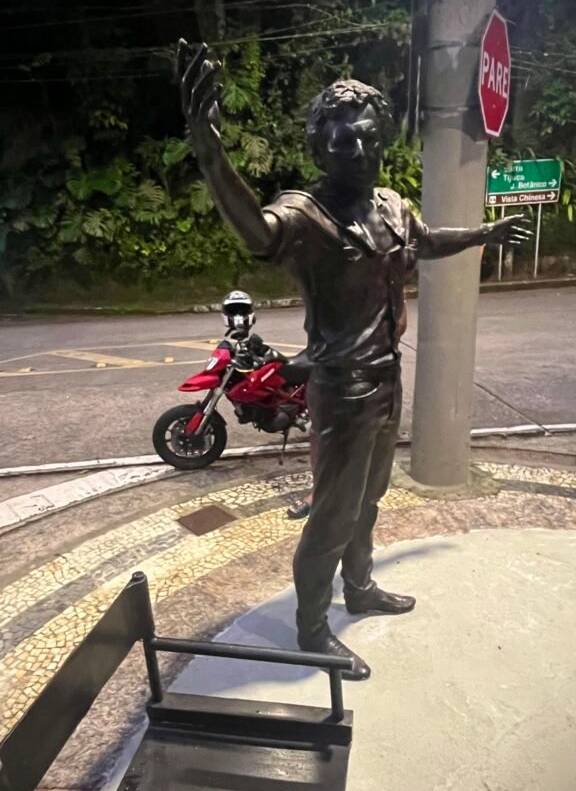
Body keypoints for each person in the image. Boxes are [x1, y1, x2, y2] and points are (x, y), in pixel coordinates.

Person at [177, 40, 531, 681]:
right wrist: (210, 153)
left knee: (371, 498)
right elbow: (258, 231)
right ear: (320, 149)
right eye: (345, 143)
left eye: (371, 139)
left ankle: (360, 586)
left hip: (387, 379)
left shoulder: (392, 204)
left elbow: (427, 240)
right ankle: (312, 629)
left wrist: (483, 232)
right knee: (333, 514)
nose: (362, 152)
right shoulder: (305, 215)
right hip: (340, 389)